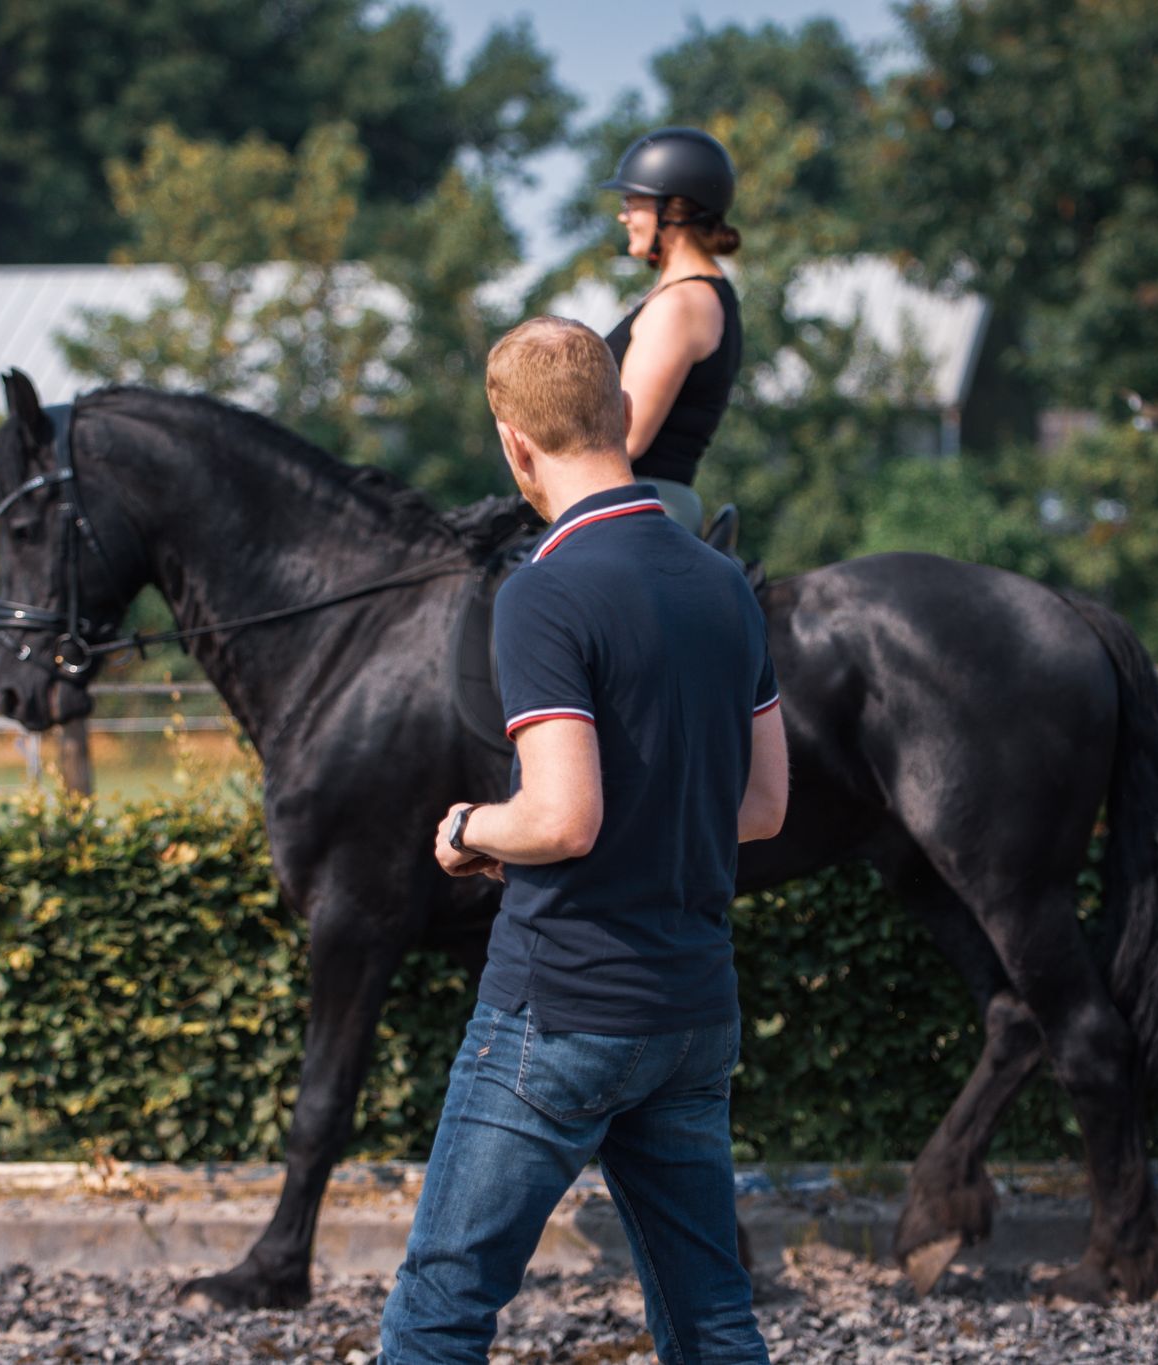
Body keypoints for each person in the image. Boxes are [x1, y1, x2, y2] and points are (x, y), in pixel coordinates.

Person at [376, 317, 789, 1364]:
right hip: (690, 1015)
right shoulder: (723, 585)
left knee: (439, 1312)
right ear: (617, 414)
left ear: (513, 444)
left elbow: (560, 819)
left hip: (558, 1010)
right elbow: (762, 807)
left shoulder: (544, 592)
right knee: (708, 1318)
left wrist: (470, 828)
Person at [599, 126, 745, 536]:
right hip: (633, 503)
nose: (623, 215)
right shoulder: (682, 295)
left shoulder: (681, 305)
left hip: (642, 510)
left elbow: (625, 441)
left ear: (673, 209)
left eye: (633, 202)